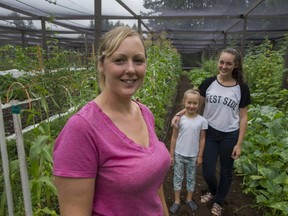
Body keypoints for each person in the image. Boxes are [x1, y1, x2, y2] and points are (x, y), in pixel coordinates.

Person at [53, 26, 171, 216]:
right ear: (102, 65)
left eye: (138, 60)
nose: (131, 69)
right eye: (119, 60)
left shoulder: (144, 112)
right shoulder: (82, 129)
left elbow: (154, 181)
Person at [172, 48, 251, 216]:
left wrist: (239, 143)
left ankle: (219, 201)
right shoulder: (208, 83)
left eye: (228, 63)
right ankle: (214, 191)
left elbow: (243, 117)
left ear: (235, 65)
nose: (223, 66)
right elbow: (194, 106)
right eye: (221, 62)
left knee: (226, 171)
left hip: (230, 135)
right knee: (207, 171)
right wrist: (178, 115)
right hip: (210, 133)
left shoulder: (241, 89)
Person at [169, 89, 208, 214]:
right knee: (178, 177)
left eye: (195, 103)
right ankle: (176, 201)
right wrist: (171, 154)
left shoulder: (202, 121)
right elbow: (174, 137)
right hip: (179, 154)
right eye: (189, 102)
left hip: (193, 156)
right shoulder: (179, 119)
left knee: (191, 178)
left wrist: (200, 155)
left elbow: (202, 139)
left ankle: (189, 199)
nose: (192, 106)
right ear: (184, 102)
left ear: (199, 104)